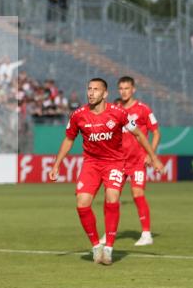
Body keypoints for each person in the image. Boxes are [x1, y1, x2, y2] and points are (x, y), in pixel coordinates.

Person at [48, 78, 163, 266]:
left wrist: (154, 158)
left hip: (114, 163)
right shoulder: (78, 115)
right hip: (91, 164)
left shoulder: (119, 113)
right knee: (82, 203)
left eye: (96, 89)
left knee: (112, 197)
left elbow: (139, 134)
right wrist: (56, 164)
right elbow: (68, 139)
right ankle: (96, 246)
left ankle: (109, 247)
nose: (91, 93)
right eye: (89, 89)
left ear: (105, 94)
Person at [116, 76, 161, 246]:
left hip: (137, 161)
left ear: (133, 89)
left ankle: (146, 234)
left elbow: (156, 132)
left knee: (137, 194)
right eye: (121, 88)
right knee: (111, 197)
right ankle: (108, 234)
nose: (124, 91)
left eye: (127, 88)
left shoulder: (143, 109)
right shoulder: (115, 109)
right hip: (119, 162)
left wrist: (151, 154)